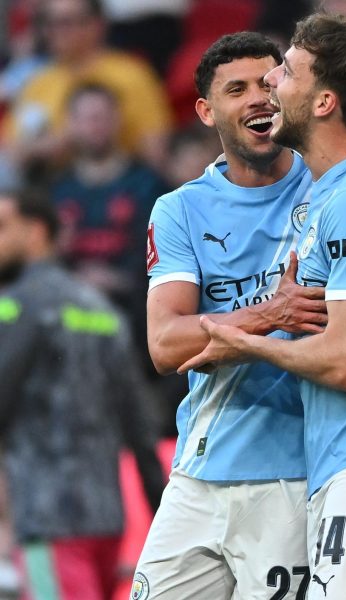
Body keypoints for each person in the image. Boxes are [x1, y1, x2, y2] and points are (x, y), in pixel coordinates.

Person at [133, 29, 346, 600]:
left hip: (298, 470)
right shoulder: (180, 210)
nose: (259, 96)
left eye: (271, 79)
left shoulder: (333, 186)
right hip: (201, 466)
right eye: (236, 88)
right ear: (205, 110)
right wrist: (269, 313)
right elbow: (165, 346)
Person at [0, 190, 165, 599]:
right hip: (107, 520)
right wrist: (163, 521)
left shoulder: (13, 307)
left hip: (46, 518)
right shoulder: (102, 311)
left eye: (2, 227)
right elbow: (141, 430)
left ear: (36, 232)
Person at [50, 82, 169, 349]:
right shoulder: (56, 190)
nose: (95, 125)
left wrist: (122, 280)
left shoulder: (148, 184)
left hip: (131, 306)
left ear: (117, 120)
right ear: (71, 124)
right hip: (66, 304)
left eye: (102, 116)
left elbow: (164, 255)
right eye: (87, 118)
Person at [2, 0, 172, 173]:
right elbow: (12, 152)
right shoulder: (38, 82)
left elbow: (156, 151)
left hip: (120, 184)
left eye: (66, 23)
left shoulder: (131, 75)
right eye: (49, 23)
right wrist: (58, 143)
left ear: (97, 25)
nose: (55, 32)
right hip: (51, 187)